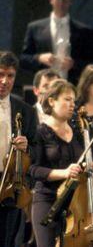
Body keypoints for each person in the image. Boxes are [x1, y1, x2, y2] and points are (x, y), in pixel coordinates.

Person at [29, 79, 93, 247]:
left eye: (74, 101)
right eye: (67, 99)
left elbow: (82, 164)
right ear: (52, 101)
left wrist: (91, 167)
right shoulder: (39, 132)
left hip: (76, 201)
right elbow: (33, 169)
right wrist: (64, 173)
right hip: (48, 200)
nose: (72, 105)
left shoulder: (79, 131)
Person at [20, 0, 93, 83]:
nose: (61, 3)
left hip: (72, 86)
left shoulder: (83, 31)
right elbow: (23, 59)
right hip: (44, 86)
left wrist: (74, 64)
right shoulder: (34, 28)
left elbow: (92, 63)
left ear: (70, 1)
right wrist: (39, 58)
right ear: (51, 0)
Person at [0, 51, 37, 247]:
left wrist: (27, 147)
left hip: (11, 186)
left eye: (10, 76)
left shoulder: (26, 111)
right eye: (0, 74)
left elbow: (38, 151)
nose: (5, 81)